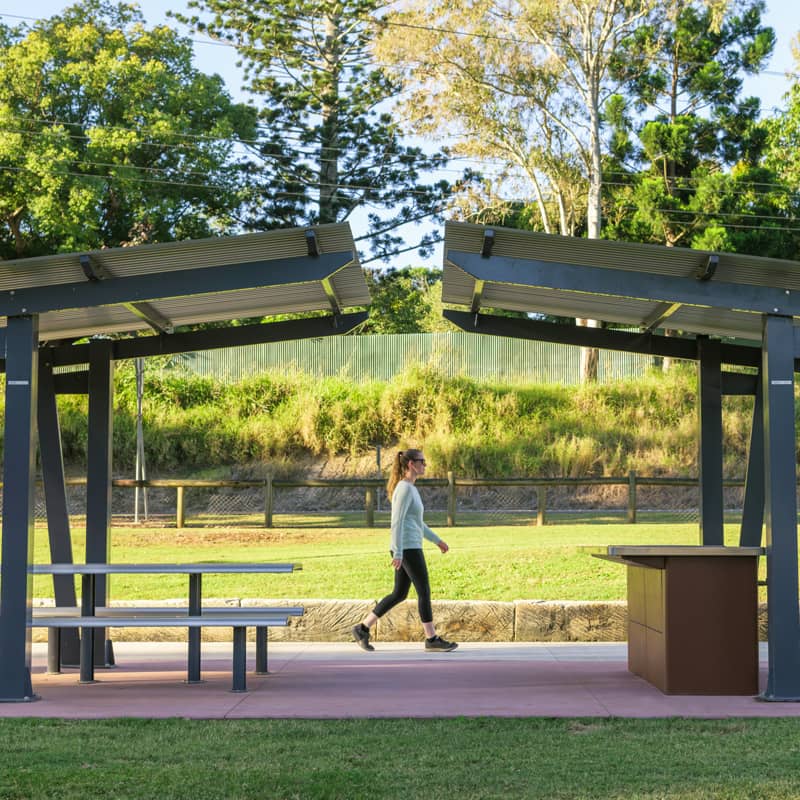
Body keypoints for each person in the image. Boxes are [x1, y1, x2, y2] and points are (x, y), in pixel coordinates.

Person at [352, 448, 457, 652]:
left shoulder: (411, 488)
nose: (425, 465)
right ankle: (431, 639)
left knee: (399, 594)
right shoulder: (404, 489)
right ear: (411, 464)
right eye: (422, 461)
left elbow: (417, 524)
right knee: (423, 591)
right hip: (407, 549)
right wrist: (398, 552)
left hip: (409, 546)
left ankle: (362, 628)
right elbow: (397, 522)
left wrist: (437, 541)